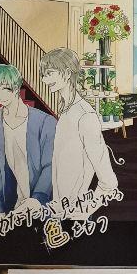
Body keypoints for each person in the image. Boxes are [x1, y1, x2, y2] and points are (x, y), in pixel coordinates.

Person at [40, 47, 122, 222]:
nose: (44, 80)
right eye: (43, 75)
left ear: (67, 73)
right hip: (60, 211)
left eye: (49, 73)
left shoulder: (85, 115)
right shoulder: (66, 111)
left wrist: (86, 209)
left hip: (75, 216)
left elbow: (109, 182)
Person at [0, 63, 55, 215]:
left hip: (43, 201)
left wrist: (37, 198)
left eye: (4, 88)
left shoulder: (44, 121)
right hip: (12, 201)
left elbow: (51, 165)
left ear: (15, 87)